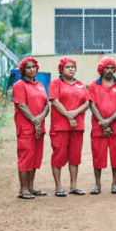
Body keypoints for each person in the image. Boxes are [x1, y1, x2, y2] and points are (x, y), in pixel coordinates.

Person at [48, 58, 90, 197]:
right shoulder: (55, 83)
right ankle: (59, 186)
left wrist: (75, 114)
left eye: (73, 66)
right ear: (61, 70)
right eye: (67, 67)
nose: (71, 69)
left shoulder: (81, 85)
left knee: (75, 156)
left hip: (77, 126)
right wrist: (68, 116)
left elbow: (87, 103)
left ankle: (73, 185)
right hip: (60, 126)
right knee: (58, 155)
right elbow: (55, 101)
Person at [12, 57, 50, 200]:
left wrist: (39, 120)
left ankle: (31, 186)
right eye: (28, 67)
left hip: (39, 128)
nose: (32, 69)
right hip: (26, 128)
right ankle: (23, 189)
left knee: (35, 158)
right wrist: (35, 121)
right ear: (23, 70)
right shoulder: (19, 85)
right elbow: (21, 105)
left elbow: (47, 104)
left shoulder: (40, 84)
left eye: (34, 66)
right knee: (25, 158)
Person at [87, 57, 116, 194]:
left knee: (115, 157)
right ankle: (97, 185)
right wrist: (103, 123)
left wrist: (109, 122)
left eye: (111, 68)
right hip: (98, 127)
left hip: (115, 127)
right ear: (101, 69)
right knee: (98, 156)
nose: (109, 70)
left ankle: (114, 184)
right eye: (106, 68)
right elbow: (92, 105)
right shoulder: (93, 85)